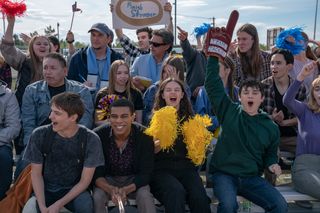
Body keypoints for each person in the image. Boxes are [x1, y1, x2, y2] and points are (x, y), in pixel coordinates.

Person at [205, 25, 287, 212]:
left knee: (280, 205)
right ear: (239, 97)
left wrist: (272, 164)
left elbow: (269, 155)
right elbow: (212, 83)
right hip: (224, 175)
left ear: (261, 98)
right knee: (228, 205)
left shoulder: (270, 126)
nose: (250, 95)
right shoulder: (229, 111)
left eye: (254, 92)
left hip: (251, 178)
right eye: (246, 92)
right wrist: (213, 55)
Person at [15, 53, 94, 179]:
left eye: (53, 68)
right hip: (39, 141)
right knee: (24, 167)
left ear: (65, 71)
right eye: (45, 68)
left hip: (71, 140)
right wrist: (32, 147)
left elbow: (85, 121)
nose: (48, 72)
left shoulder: (80, 91)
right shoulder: (31, 91)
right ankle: (23, 196)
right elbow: (28, 123)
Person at [22, 92, 104, 213]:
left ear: (73, 117)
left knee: (86, 206)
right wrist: (43, 206)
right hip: (44, 190)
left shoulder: (90, 139)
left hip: (75, 191)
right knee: (29, 211)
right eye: (51, 111)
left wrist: (58, 205)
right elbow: (36, 175)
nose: (50, 117)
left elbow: (84, 181)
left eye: (57, 113)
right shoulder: (39, 134)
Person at [149, 78, 211, 213]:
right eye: (169, 90)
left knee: (199, 196)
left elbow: (197, 157)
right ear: (163, 95)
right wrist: (163, 139)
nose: (173, 93)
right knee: (176, 192)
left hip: (186, 169)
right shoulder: (156, 118)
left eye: (177, 90)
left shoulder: (191, 119)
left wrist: (200, 142)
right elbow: (151, 151)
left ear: (182, 95)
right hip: (161, 170)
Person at [92, 99, 155, 213]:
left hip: (135, 180)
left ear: (133, 117)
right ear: (109, 118)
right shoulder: (98, 136)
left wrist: (126, 189)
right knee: (97, 197)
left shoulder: (146, 136)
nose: (119, 121)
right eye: (114, 116)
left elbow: (146, 173)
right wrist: (110, 189)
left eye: (124, 116)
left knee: (145, 196)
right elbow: (96, 172)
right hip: (107, 180)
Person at [283, 60, 320, 200]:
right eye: (317, 89)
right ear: (312, 93)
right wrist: (301, 77)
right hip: (305, 167)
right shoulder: (305, 110)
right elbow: (287, 100)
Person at [262, 49, 306, 155]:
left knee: (308, 149)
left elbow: (304, 116)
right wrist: (272, 117)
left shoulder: (299, 88)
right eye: (272, 63)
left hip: (292, 137)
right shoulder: (263, 86)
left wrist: (285, 122)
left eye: (278, 63)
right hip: (268, 136)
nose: (274, 66)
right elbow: (255, 114)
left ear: (289, 66)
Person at [0, 16, 51, 106]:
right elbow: (8, 48)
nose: (42, 46)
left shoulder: (56, 63)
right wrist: (11, 24)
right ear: (31, 47)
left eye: (46, 44)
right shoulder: (24, 60)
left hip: (49, 108)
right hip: (24, 106)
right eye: (38, 44)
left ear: (50, 48)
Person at [67, 23, 123, 92]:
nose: (95, 39)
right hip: (84, 101)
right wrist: (80, 87)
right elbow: (69, 85)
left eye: (100, 35)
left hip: (111, 100)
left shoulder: (117, 58)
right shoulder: (77, 58)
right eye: (93, 35)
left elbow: (124, 84)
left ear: (108, 39)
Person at [143, 55, 191, 125]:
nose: (167, 75)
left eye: (171, 72)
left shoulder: (185, 88)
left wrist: (176, 84)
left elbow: (187, 111)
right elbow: (145, 116)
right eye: (165, 72)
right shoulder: (153, 89)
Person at [95, 60, 143, 125]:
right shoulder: (103, 94)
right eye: (119, 73)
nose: (123, 76)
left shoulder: (136, 94)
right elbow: (98, 121)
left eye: (126, 73)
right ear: (112, 75)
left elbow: (138, 122)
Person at [0, 80, 20, 200]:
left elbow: (14, 127)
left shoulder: (8, 95)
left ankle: (2, 201)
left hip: (1, 142)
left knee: (4, 158)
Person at [177, 26, 207, 100]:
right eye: (206, 41)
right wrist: (184, 41)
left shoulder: (219, 62)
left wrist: (204, 88)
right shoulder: (197, 55)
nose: (208, 44)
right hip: (193, 100)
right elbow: (188, 50)